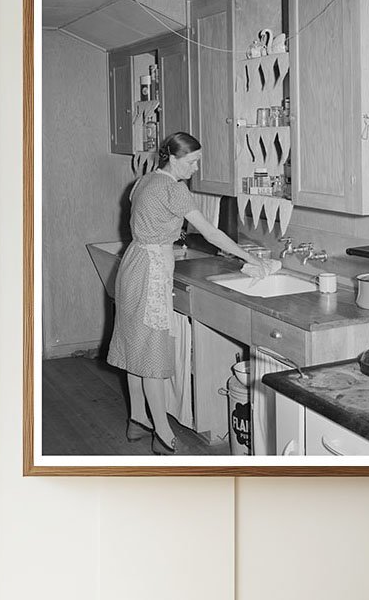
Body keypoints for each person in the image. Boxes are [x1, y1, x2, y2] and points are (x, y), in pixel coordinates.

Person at [106, 132, 267, 454]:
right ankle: (163, 435)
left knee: (135, 348)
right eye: (192, 162)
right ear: (174, 159)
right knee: (151, 354)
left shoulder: (144, 181)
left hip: (133, 263)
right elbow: (210, 232)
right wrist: (250, 257)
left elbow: (151, 220)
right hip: (151, 270)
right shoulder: (174, 189)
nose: (196, 168)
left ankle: (138, 420)